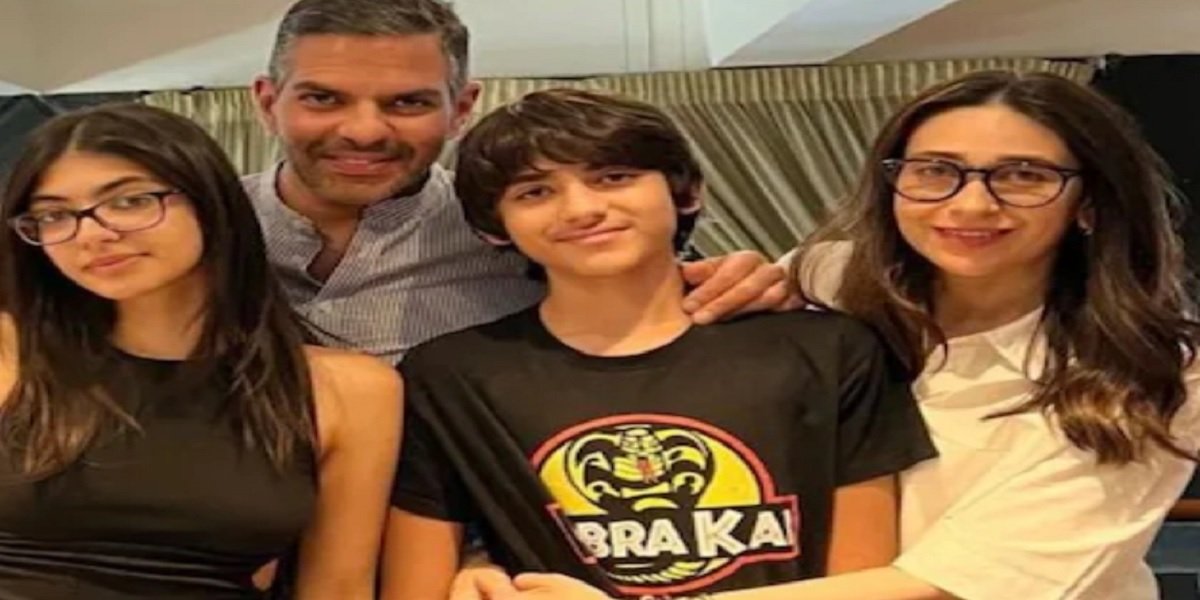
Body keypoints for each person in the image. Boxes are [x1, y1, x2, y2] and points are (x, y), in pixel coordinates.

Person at [380, 88, 936, 600]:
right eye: (535, 192)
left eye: (614, 177)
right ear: (492, 226)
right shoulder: (451, 376)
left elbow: (862, 583)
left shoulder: (829, 349)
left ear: (686, 190)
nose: (581, 209)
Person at [0, 103, 401, 599]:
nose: (92, 234)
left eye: (130, 201)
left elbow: (338, 586)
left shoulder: (347, 389)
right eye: (54, 215)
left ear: (210, 202)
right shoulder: (13, 352)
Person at [246, 0, 790, 365]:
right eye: (323, 98)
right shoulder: (204, 228)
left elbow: (680, 298)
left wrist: (756, 286)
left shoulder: (526, 228)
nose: (364, 131)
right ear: (268, 103)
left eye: (408, 103)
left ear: (462, 110)